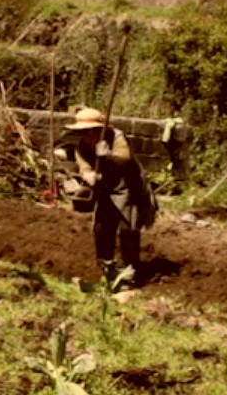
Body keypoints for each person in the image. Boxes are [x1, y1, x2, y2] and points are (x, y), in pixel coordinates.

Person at [65, 107, 158, 290]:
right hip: (105, 190)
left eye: (91, 131)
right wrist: (89, 174)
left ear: (100, 129)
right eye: (84, 131)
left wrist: (107, 154)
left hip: (128, 188)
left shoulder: (116, 137)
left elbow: (125, 158)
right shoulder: (82, 145)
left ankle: (130, 271)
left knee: (128, 230)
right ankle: (107, 268)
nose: (88, 135)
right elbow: (83, 164)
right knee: (102, 229)